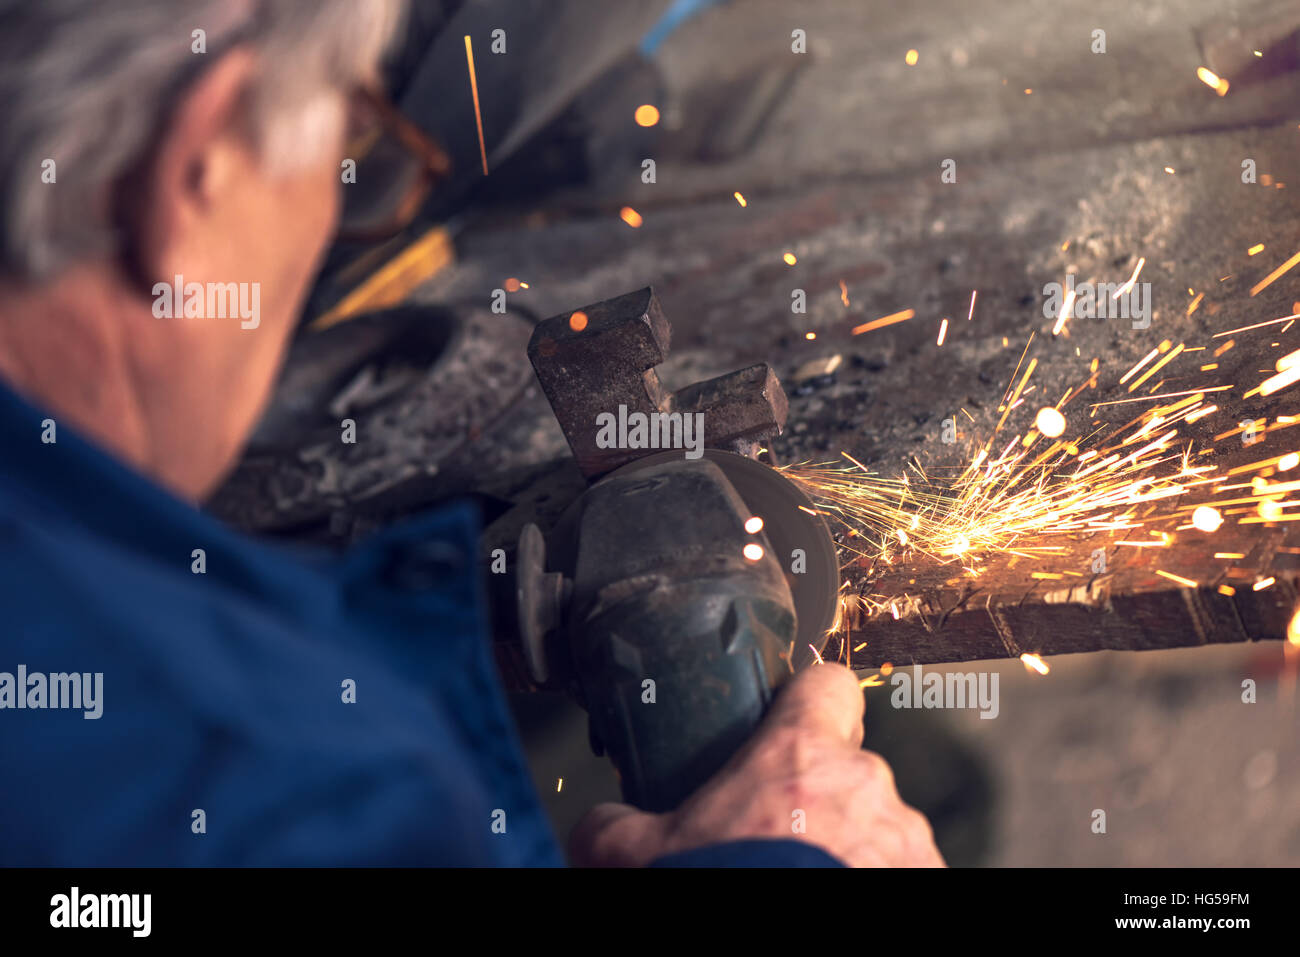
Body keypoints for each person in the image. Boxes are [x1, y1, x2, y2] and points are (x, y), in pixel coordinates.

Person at [0, 0, 943, 868]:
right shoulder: (279, 778)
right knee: (947, 789)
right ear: (199, 167)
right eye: (353, 135)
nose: (344, 205)